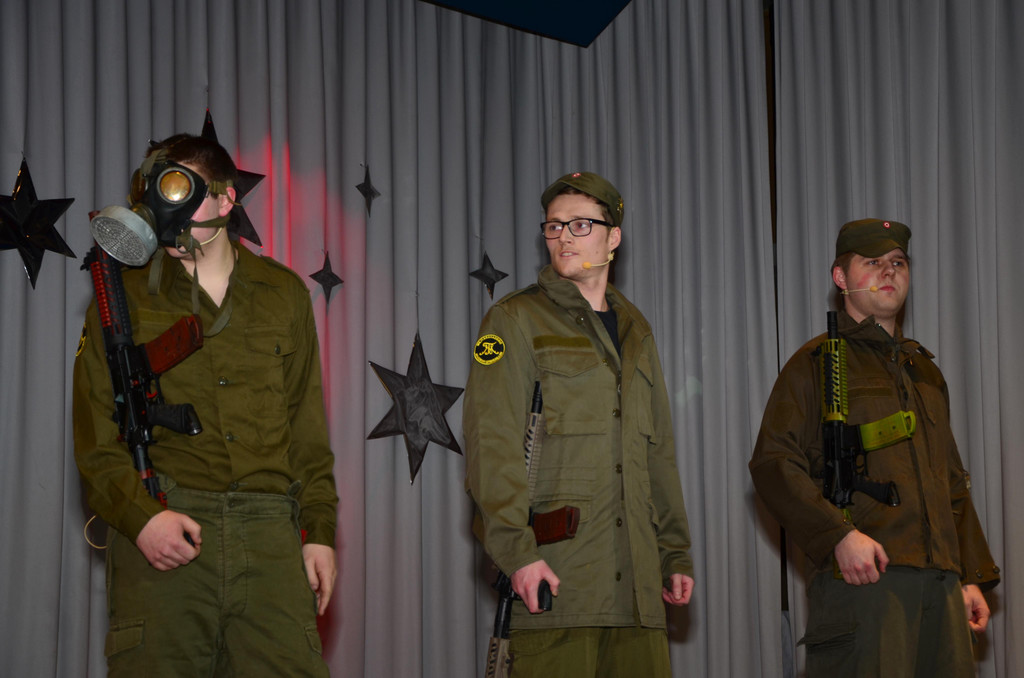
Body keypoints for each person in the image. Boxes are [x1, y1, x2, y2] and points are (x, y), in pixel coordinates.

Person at [73, 134, 338, 677]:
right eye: (154, 193)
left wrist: (320, 534)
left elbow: (307, 434)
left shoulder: (284, 294)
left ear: (225, 197)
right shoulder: (120, 298)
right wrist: (142, 520)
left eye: (179, 191)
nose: (165, 211)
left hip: (269, 538)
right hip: (167, 531)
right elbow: (95, 439)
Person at [463, 171, 694, 677]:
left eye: (581, 224)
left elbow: (658, 452)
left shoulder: (637, 330)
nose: (564, 236)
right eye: (554, 225)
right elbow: (491, 448)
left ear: (614, 238)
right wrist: (517, 555)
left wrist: (673, 553)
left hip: (638, 595)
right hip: (559, 585)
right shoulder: (514, 320)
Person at [749, 218, 1000, 677]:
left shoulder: (924, 372)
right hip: (866, 583)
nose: (889, 272)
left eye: (898, 262)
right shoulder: (816, 363)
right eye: (872, 262)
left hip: (941, 588)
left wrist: (968, 575)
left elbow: (951, 481)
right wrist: (837, 535)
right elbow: (773, 462)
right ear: (840, 277)